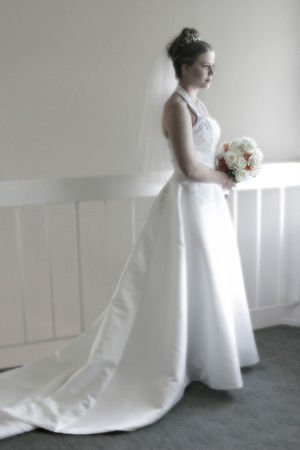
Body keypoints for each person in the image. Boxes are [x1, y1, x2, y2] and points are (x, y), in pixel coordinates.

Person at [0, 27, 260, 440]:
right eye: (205, 67)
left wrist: (233, 159)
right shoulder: (175, 105)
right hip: (188, 203)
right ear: (184, 67)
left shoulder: (198, 102)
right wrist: (225, 177)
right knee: (180, 278)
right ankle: (168, 358)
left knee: (208, 277)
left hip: (206, 203)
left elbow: (205, 150)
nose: (212, 74)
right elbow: (189, 167)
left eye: (213, 68)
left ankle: (205, 355)